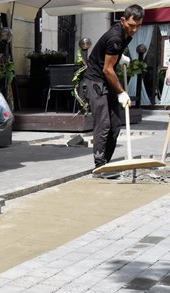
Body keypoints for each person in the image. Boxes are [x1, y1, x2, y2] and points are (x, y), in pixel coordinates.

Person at [81, 4, 144, 170]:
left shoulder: (124, 33)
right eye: (132, 25)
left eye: (139, 26)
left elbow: (108, 57)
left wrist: (118, 56)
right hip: (95, 81)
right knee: (103, 123)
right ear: (123, 20)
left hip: (105, 80)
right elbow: (107, 70)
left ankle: (106, 164)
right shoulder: (115, 38)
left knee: (115, 124)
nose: (135, 30)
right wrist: (122, 92)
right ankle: (99, 166)